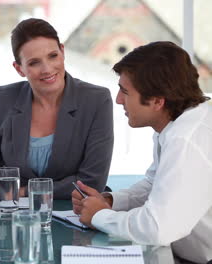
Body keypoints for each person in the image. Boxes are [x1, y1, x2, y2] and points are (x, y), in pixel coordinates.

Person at [72, 41, 212, 263]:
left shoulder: (186, 139)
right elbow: (154, 184)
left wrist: (99, 216)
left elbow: (157, 228)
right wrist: (110, 201)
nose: (118, 100)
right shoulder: (176, 123)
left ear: (157, 101)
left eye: (125, 92)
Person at [0, 18, 114, 203]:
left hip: (71, 214)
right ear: (19, 68)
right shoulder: (1, 101)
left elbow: (92, 182)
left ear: (62, 51)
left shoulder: (96, 100)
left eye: (53, 56)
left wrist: (22, 192)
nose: (47, 69)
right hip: (11, 218)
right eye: (34, 62)